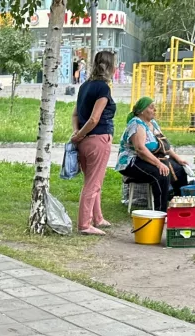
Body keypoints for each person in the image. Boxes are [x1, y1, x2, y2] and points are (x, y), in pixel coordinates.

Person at [70, 50, 118, 236]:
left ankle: (97, 217)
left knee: (92, 181)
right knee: (93, 184)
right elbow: (94, 119)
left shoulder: (85, 86)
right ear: (111, 67)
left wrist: (77, 133)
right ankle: (84, 224)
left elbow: (76, 114)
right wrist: (80, 134)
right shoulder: (103, 88)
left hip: (84, 142)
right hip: (98, 139)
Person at [116, 96, 191, 212]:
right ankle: (161, 211)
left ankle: (180, 205)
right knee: (161, 174)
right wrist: (158, 164)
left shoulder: (153, 124)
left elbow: (163, 144)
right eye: (151, 107)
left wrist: (177, 158)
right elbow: (140, 149)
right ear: (142, 110)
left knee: (179, 169)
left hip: (149, 158)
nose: (155, 110)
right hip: (131, 162)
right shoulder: (136, 124)